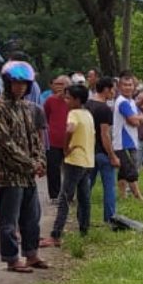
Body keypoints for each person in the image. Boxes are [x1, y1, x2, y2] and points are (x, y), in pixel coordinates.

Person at [0, 60, 49, 273]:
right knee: (9, 221)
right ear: (7, 83)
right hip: (9, 174)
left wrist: (40, 161)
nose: (20, 87)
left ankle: (31, 255)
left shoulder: (26, 107)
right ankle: (12, 258)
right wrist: (31, 164)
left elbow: (35, 138)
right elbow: (6, 145)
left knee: (32, 218)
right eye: (16, 83)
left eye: (24, 84)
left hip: (28, 174)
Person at [45, 83, 94, 244]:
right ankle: (84, 230)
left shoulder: (73, 113)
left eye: (68, 98)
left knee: (64, 198)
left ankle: (56, 234)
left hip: (74, 160)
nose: (65, 100)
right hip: (87, 161)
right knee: (84, 198)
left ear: (77, 100)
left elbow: (70, 129)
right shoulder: (87, 114)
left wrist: (65, 148)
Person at [87, 76, 119, 224]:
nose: (114, 92)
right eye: (113, 89)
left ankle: (83, 217)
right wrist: (112, 155)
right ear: (106, 89)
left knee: (86, 186)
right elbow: (104, 134)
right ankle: (110, 218)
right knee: (109, 188)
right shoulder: (104, 108)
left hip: (89, 152)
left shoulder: (87, 105)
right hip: (102, 153)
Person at [113, 70, 143, 200]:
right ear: (120, 87)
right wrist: (136, 119)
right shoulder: (122, 102)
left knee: (123, 170)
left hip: (131, 140)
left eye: (130, 85)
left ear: (134, 86)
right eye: (125, 85)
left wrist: (136, 119)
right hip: (122, 142)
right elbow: (134, 121)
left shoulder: (131, 101)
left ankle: (122, 195)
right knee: (131, 170)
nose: (128, 87)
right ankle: (138, 196)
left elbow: (141, 118)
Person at [43, 74, 70, 202]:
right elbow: (45, 118)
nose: (58, 87)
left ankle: (68, 194)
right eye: (57, 84)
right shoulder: (50, 100)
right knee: (53, 169)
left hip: (70, 141)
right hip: (53, 140)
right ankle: (54, 195)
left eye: (62, 84)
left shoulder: (73, 101)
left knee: (70, 169)